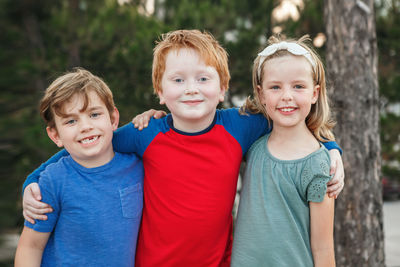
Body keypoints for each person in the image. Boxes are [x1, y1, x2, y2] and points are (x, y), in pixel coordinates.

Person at [21, 30, 344, 267]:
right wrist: (32, 181)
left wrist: (331, 149)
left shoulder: (239, 125)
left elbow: (292, 119)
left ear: (222, 88)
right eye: (178, 81)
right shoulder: (145, 134)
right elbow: (88, 142)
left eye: (203, 79)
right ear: (159, 91)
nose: (191, 89)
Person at [14, 68, 144, 267]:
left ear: (113, 119)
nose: (85, 126)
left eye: (94, 114)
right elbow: (30, 247)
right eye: (71, 121)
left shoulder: (138, 167)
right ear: (55, 135)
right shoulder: (53, 181)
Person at [231, 36, 336, 266]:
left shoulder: (318, 165)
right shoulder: (253, 145)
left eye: (298, 86)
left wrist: (333, 150)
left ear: (315, 93)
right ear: (261, 94)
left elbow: (323, 248)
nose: (286, 96)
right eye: (275, 87)